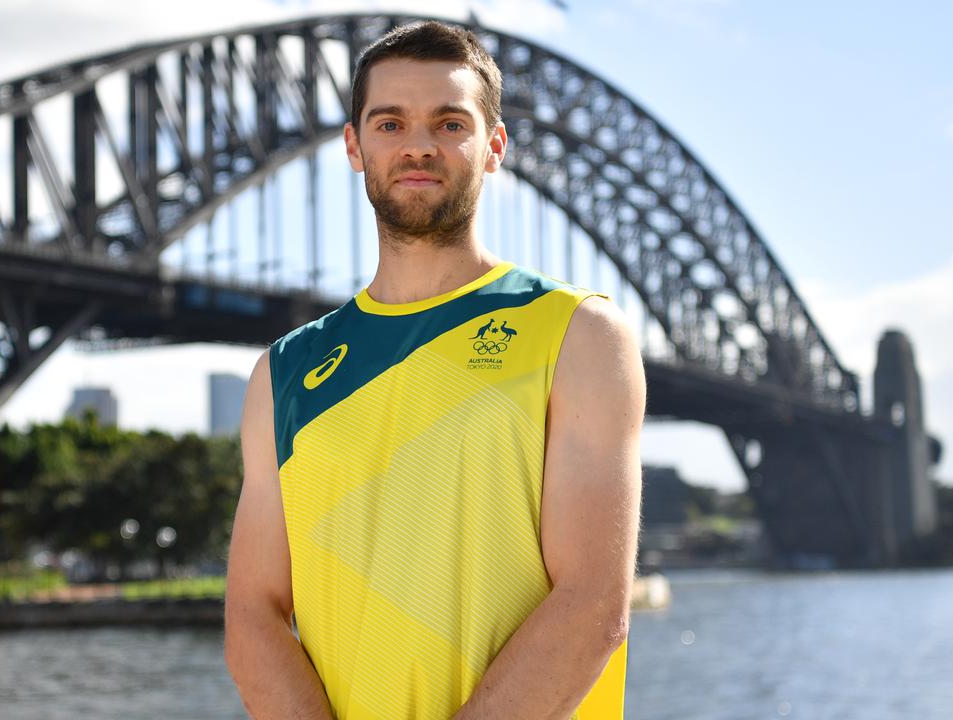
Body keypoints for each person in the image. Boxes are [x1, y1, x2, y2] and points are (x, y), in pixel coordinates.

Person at [224, 19, 645, 720]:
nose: (418, 144)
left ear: (494, 148)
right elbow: (253, 612)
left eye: (450, 123)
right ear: (355, 147)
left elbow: (594, 602)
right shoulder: (284, 372)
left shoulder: (577, 334)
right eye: (389, 124)